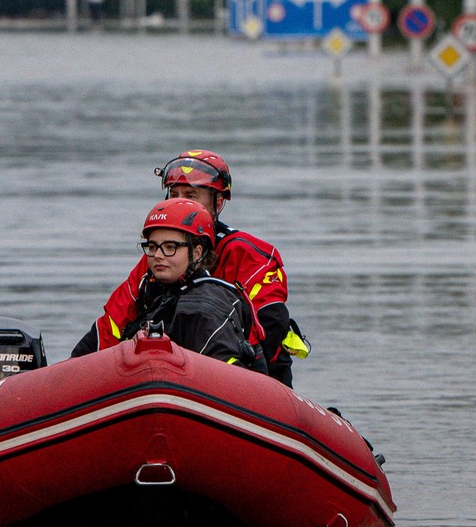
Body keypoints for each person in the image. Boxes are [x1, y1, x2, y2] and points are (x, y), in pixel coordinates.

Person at [73, 149, 308, 385]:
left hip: (245, 379)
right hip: (167, 375)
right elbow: (112, 324)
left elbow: (269, 335)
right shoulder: (157, 258)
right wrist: (72, 375)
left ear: (217, 203)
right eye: (173, 194)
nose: (180, 202)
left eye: (190, 196)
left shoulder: (250, 256)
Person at [78, 198, 265, 371]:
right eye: (152, 247)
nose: (157, 255)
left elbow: (225, 376)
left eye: (170, 247)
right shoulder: (155, 293)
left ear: (197, 252)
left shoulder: (206, 305)